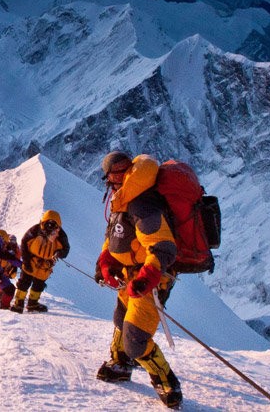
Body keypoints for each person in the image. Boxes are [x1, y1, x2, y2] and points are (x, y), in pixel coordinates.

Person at [94, 151, 183, 409]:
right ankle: (119, 363)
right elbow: (115, 237)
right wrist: (106, 260)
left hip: (151, 279)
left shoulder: (141, 202)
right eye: (113, 173)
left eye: (120, 171)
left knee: (135, 337)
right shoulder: (122, 200)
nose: (115, 177)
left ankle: (166, 381)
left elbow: (162, 246)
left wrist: (146, 278)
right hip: (130, 275)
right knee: (121, 319)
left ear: (129, 170)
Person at [10, 210, 70, 313]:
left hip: (46, 264)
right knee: (24, 282)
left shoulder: (61, 235)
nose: (50, 227)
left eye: (53, 224)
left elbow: (66, 249)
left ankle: (32, 303)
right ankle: (18, 303)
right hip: (31, 259)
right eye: (48, 223)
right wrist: (26, 260)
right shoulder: (35, 230)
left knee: (39, 284)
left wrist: (59, 253)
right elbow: (24, 242)